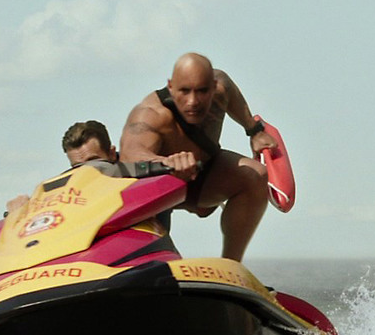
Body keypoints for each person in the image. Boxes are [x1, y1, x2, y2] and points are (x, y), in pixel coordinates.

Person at [118, 53, 277, 262]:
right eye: (184, 91)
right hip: (158, 189)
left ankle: (231, 267)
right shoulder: (151, 114)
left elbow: (230, 89)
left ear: (213, 86)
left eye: (202, 91)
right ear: (171, 86)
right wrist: (166, 163)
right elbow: (130, 156)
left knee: (255, 175)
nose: (193, 101)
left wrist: (254, 130)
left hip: (202, 176)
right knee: (159, 262)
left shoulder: (222, 89)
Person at [6, 120, 195, 215]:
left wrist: (181, 169)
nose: (88, 171)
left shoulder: (140, 173)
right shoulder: (66, 193)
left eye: (95, 161)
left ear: (112, 153)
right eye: (77, 166)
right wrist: (22, 212)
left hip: (144, 253)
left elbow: (182, 182)